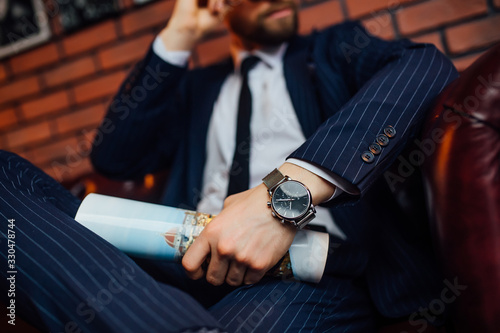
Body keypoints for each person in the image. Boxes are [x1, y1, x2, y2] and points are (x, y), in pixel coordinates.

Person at [0, 0, 457, 332]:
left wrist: (280, 199)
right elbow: (115, 157)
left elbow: (425, 68)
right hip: (174, 268)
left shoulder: (330, 52)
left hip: (305, 272)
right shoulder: (197, 88)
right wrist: (179, 35)